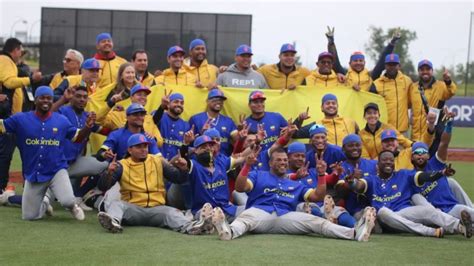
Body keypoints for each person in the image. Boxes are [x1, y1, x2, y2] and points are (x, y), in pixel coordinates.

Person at [210, 147, 376, 241]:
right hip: (261, 212)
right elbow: (239, 188)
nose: (282, 163)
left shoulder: (295, 183)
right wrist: (246, 166)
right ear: (270, 163)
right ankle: (228, 232)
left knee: (318, 222)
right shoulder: (259, 175)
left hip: (285, 217)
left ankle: (355, 233)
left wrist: (321, 175)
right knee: (246, 218)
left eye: (284, 160)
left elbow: (317, 197)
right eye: (278, 160)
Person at [0, 86, 94, 220]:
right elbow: (2, 126)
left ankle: (73, 206)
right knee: (29, 216)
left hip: (57, 170)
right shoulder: (21, 119)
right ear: (35, 100)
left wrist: (87, 127)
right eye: (42, 98)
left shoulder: (61, 120)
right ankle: (44, 203)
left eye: (49, 98)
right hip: (34, 173)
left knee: (67, 200)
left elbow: (77, 138)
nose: (46, 101)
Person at [96, 133, 209, 234]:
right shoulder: (121, 165)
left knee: (172, 212)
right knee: (116, 204)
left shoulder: (158, 161)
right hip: (133, 209)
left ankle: (191, 228)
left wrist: (183, 170)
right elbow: (103, 187)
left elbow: (179, 179)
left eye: (145, 146)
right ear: (130, 150)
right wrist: (109, 173)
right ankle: (114, 223)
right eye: (139, 146)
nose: (143, 149)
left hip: (157, 209)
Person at [346, 150, 471, 238]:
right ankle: (429, 232)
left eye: (391, 160)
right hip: (386, 220)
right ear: (378, 164)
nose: (389, 162)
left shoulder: (403, 174)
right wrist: (352, 183)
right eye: (385, 160)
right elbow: (359, 186)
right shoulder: (372, 180)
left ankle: (460, 227)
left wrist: (440, 173)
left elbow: (423, 176)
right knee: (383, 211)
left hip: (404, 212)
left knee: (429, 211)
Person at [0, 38, 42, 195]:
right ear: (15, 50)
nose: (21, 56)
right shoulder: (5, 60)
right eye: (21, 51)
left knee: (22, 151)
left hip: (15, 118)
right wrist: (30, 79)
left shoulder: (9, 62)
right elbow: (9, 82)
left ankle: (27, 187)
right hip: (8, 118)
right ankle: (1, 188)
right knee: (5, 154)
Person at [410, 121, 474, 219]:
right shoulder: (411, 176)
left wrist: (449, 126)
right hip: (436, 217)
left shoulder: (436, 163)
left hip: (451, 209)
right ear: (412, 157)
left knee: (468, 212)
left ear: (428, 155)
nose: (420, 154)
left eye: (423, 152)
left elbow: (444, 143)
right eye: (417, 152)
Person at [286, 142, 357, 229]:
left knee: (341, 213)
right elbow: (284, 179)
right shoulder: (284, 173)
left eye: (303, 156)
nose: (300, 158)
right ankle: (329, 220)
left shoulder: (312, 171)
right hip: (301, 207)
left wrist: (335, 174)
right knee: (311, 208)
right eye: (296, 156)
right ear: (288, 157)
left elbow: (330, 180)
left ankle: (358, 227)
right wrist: (296, 176)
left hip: (323, 205)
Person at [325, 26, 401, 91]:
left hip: (366, 107)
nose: (358, 63)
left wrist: (392, 43)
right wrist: (331, 43)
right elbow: (335, 62)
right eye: (355, 61)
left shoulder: (370, 75)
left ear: (364, 63)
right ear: (350, 63)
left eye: (361, 61)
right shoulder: (345, 74)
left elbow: (381, 63)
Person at [409, 59, 457, 154]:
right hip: (415, 136)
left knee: (431, 165)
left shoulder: (441, 86)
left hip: (433, 135)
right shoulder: (413, 87)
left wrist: (448, 81)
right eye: (422, 69)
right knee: (416, 166)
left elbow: (452, 91)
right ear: (418, 71)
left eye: (428, 69)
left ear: (432, 71)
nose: (425, 71)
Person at [97, 84, 163, 147]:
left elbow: (160, 141)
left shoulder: (149, 118)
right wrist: (111, 102)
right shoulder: (119, 114)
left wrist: (153, 139)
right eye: (139, 95)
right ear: (131, 97)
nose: (143, 97)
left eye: (145, 95)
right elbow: (98, 119)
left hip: (144, 156)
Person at [371, 53, 413, 133]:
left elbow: (411, 103)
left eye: (394, 64)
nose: (392, 67)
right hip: (384, 131)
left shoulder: (407, 81)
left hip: (403, 131)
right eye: (389, 65)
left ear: (399, 66)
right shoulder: (376, 84)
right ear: (385, 66)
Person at [189, 89, 238, 156]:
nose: (218, 102)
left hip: (223, 161)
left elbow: (237, 140)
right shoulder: (196, 119)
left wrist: (241, 134)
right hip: (201, 160)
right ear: (207, 101)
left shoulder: (228, 121)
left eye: (221, 100)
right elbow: (189, 143)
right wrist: (202, 134)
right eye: (215, 100)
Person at [153, 91, 190, 160]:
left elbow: (184, 150)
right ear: (168, 104)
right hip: (156, 161)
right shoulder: (159, 115)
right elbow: (154, 121)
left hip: (174, 165)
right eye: (176, 102)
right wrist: (162, 106)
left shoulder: (186, 125)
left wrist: (186, 143)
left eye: (181, 103)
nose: (179, 104)